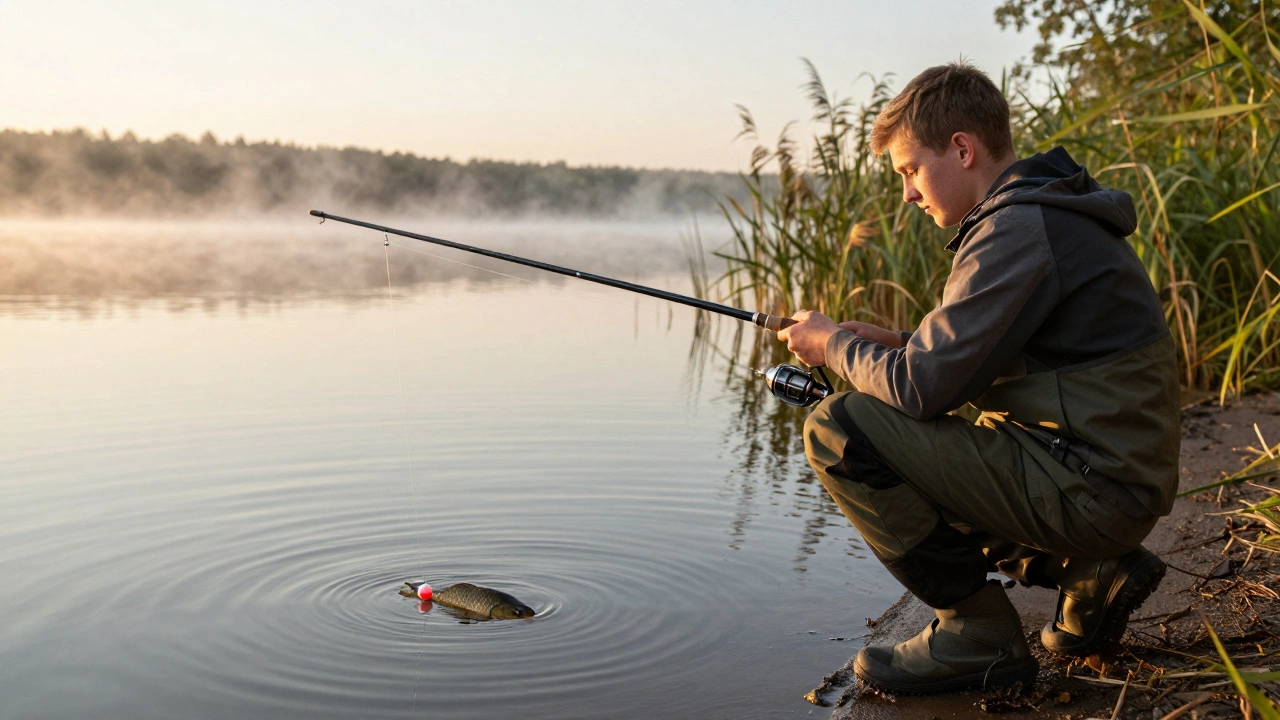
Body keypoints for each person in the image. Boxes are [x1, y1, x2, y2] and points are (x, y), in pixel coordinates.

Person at [777, 61, 1180, 695]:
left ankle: (976, 633)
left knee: (840, 429)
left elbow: (922, 389)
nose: (907, 193)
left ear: (962, 148)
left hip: (1092, 487)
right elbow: (994, 357)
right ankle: (1089, 573)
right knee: (918, 430)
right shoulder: (1042, 211)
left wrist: (832, 345)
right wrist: (898, 342)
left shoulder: (1017, 227)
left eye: (910, 171)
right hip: (1106, 475)